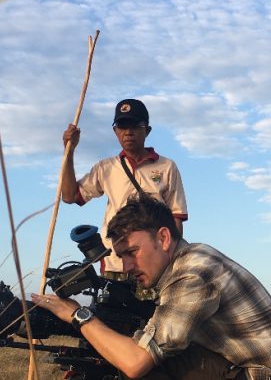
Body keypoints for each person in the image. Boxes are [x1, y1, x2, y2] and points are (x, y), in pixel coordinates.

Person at [32, 195, 271, 380]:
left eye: (132, 252)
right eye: (121, 256)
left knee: (138, 357)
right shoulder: (186, 264)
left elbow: (136, 362)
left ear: (162, 238)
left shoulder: (193, 272)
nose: (126, 267)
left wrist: (78, 316)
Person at [61, 98, 188, 275]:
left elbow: (176, 217)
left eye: (135, 126)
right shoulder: (106, 168)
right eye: (122, 127)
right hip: (115, 263)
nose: (128, 132)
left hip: (153, 265)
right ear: (115, 131)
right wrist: (69, 151)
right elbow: (69, 196)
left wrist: (169, 259)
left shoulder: (166, 167)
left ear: (147, 130)